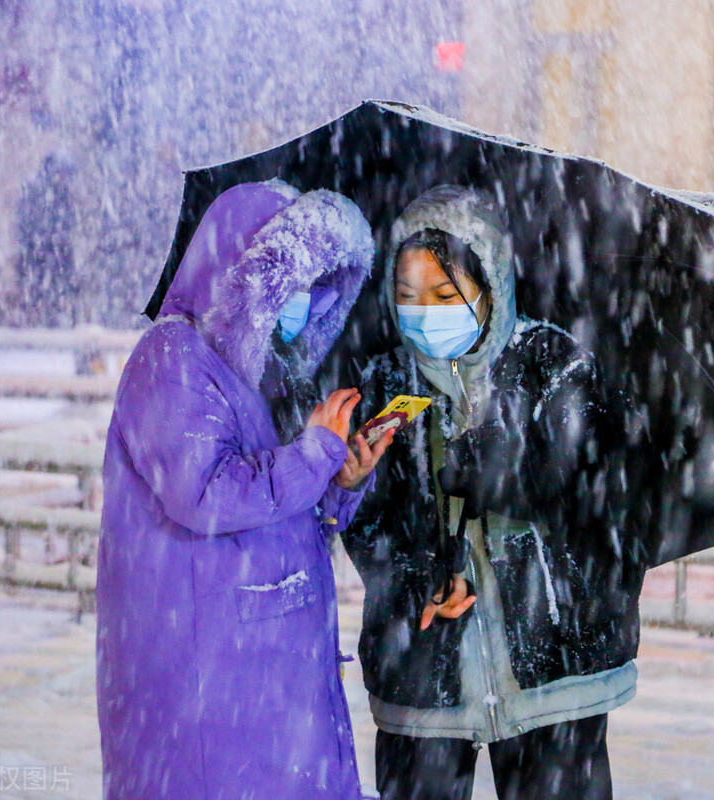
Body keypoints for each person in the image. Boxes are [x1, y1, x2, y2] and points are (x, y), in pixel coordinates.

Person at [340, 185, 641, 800]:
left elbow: (600, 500)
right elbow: (366, 526)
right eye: (406, 297)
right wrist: (420, 574)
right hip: (423, 681)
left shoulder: (551, 365)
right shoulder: (384, 385)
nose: (423, 312)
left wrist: (507, 475)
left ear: (491, 286)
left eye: (445, 295)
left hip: (553, 680)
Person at [97, 180, 393, 800]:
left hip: (270, 683)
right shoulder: (173, 357)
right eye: (288, 285)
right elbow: (203, 495)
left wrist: (340, 481)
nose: (303, 304)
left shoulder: (264, 371)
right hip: (214, 684)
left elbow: (281, 514)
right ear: (240, 274)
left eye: (314, 290)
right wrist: (314, 454)